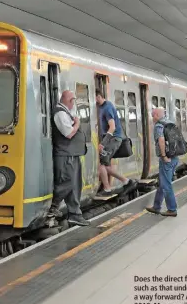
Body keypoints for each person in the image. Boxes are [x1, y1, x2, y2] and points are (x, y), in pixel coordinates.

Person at [49, 90, 90, 226]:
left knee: (74, 185)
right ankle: (53, 207)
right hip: (65, 155)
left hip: (71, 154)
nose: (74, 103)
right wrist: (77, 123)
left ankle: (75, 214)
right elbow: (68, 134)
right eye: (74, 100)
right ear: (70, 100)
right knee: (68, 182)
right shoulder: (60, 113)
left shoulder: (65, 112)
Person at [95, 91, 134, 197]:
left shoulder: (107, 108)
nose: (95, 101)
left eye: (95, 98)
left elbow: (112, 127)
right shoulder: (103, 107)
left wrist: (103, 143)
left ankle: (107, 189)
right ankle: (126, 181)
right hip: (112, 139)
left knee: (102, 164)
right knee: (104, 164)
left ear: (99, 96)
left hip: (113, 139)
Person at [145, 108, 178, 217]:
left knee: (166, 184)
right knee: (163, 183)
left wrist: (164, 156)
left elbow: (161, 140)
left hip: (167, 159)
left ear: (156, 115)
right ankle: (156, 206)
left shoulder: (159, 125)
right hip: (174, 157)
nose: (152, 118)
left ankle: (172, 209)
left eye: (152, 115)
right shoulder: (171, 123)